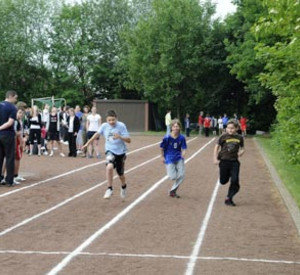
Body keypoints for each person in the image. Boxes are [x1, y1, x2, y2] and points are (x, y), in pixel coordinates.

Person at [82, 110, 131, 199]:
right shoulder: (104, 126)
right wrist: (87, 143)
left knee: (121, 175)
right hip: (110, 150)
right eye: (109, 120)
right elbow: (96, 135)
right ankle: (109, 188)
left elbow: (129, 140)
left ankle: (124, 186)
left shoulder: (121, 126)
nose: (111, 122)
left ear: (116, 118)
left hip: (121, 152)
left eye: (113, 120)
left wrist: (120, 137)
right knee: (109, 167)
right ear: (106, 120)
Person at [213, 119, 245, 206]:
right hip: (224, 161)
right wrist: (215, 158)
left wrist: (242, 152)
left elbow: (242, 148)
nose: (230, 130)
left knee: (234, 180)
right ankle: (227, 178)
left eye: (232, 128)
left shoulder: (240, 138)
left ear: (237, 128)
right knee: (223, 181)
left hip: (234, 162)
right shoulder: (223, 137)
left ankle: (229, 198)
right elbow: (216, 147)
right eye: (228, 128)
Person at [160, 119, 187, 198]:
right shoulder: (167, 138)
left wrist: (183, 153)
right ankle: (173, 170)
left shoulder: (182, 138)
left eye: (177, 126)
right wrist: (161, 156)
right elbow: (162, 147)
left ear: (179, 128)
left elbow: (184, 148)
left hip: (178, 157)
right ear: (171, 128)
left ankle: (172, 191)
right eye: (174, 126)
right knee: (173, 177)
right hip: (169, 158)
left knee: (181, 175)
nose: (176, 128)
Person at [0, 90, 18, 187]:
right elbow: (10, 123)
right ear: (10, 96)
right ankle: (9, 180)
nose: (16, 100)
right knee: (10, 157)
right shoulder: (12, 107)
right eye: (15, 97)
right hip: (7, 134)